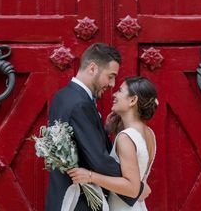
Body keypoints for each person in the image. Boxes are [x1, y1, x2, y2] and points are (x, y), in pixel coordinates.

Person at [45, 43, 148, 211]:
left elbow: (79, 144)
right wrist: (134, 187)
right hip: (78, 203)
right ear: (92, 68)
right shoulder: (80, 104)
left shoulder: (62, 96)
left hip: (59, 198)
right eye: (111, 76)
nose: (113, 84)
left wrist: (103, 130)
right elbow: (98, 160)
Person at [68, 76, 158, 211]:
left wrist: (90, 176)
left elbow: (133, 189)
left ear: (133, 100)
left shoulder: (126, 137)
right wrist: (109, 131)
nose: (114, 94)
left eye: (120, 91)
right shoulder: (148, 133)